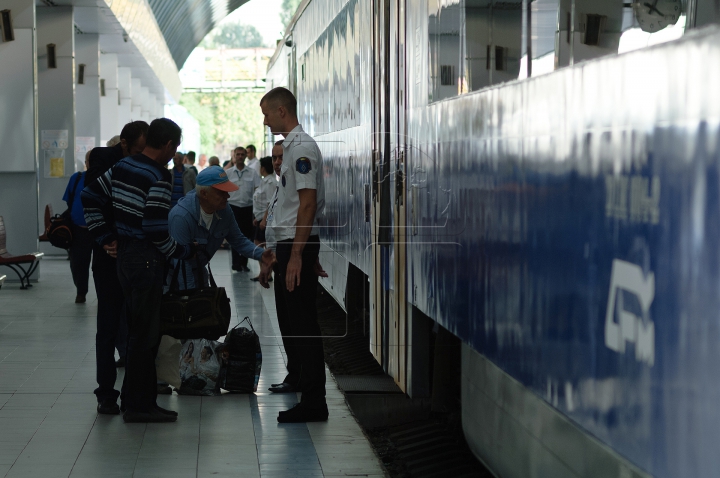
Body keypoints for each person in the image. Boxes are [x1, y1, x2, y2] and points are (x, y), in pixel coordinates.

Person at [83, 118, 196, 424]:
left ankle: (139, 401)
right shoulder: (160, 175)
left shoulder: (123, 166)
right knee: (144, 336)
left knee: (135, 335)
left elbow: (89, 197)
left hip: (124, 259)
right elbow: (156, 228)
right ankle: (138, 406)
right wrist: (182, 252)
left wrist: (106, 237)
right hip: (146, 259)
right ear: (170, 145)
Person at [259, 87, 328, 423]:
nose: (265, 120)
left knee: (303, 325)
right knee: (295, 322)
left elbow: (307, 203)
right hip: (292, 244)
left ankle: (314, 403)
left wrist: (299, 253)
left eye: (267, 113)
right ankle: (307, 391)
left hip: (294, 246)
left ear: (282, 111)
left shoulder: (300, 148)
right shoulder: (291, 148)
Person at [84, 120, 148, 416]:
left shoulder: (148, 164)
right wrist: (108, 238)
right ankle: (106, 393)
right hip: (109, 252)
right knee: (107, 326)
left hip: (137, 253)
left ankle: (136, 392)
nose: (140, 155)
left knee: (138, 325)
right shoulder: (103, 158)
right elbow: (95, 198)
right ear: (123, 144)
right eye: (136, 149)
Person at [168, 166, 275, 290]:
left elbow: (238, 240)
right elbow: (182, 267)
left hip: (199, 274)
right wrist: (192, 299)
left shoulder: (224, 210)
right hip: (175, 281)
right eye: (221, 192)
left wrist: (262, 254)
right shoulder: (181, 217)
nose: (228, 196)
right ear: (204, 193)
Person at [64, 150, 93, 303]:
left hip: (99, 231)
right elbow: (69, 200)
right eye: (89, 160)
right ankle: (81, 291)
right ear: (86, 163)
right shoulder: (77, 178)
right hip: (79, 228)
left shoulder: (106, 178)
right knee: (78, 263)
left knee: (102, 266)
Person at [226, 147, 260, 272]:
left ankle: (243, 263)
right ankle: (235, 263)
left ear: (246, 156)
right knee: (234, 235)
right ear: (234, 155)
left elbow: (258, 190)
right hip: (233, 207)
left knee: (246, 236)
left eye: (242, 154)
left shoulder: (252, 173)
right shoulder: (228, 173)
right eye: (238, 154)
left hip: (247, 208)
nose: (240, 156)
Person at [250, 156, 276, 281]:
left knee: (261, 245)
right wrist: (258, 218)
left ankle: (267, 272)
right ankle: (264, 272)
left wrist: (265, 220)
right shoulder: (265, 181)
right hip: (261, 218)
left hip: (266, 221)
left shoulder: (271, 183)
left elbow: (270, 204)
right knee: (259, 244)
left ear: (263, 168)